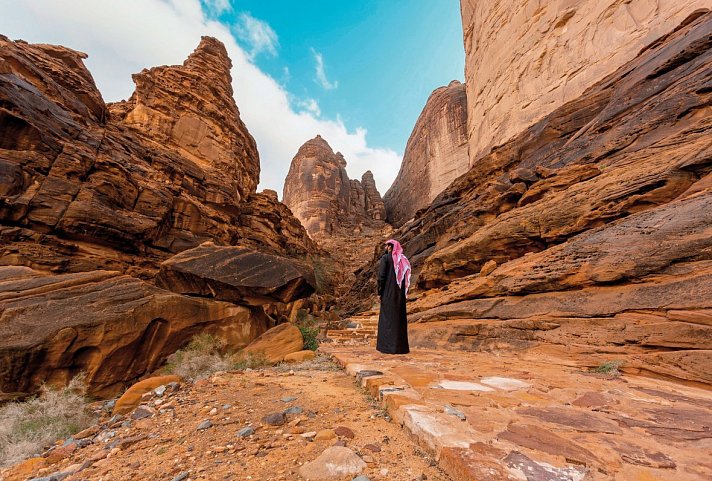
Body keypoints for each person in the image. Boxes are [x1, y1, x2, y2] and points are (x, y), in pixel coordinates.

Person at [376, 239, 410, 354]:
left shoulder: (385, 258)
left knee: (387, 319)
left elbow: (381, 277)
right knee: (398, 319)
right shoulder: (403, 260)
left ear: (390, 247)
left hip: (388, 293)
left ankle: (387, 347)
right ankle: (400, 348)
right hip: (400, 296)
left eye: (386, 246)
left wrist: (380, 292)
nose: (385, 248)